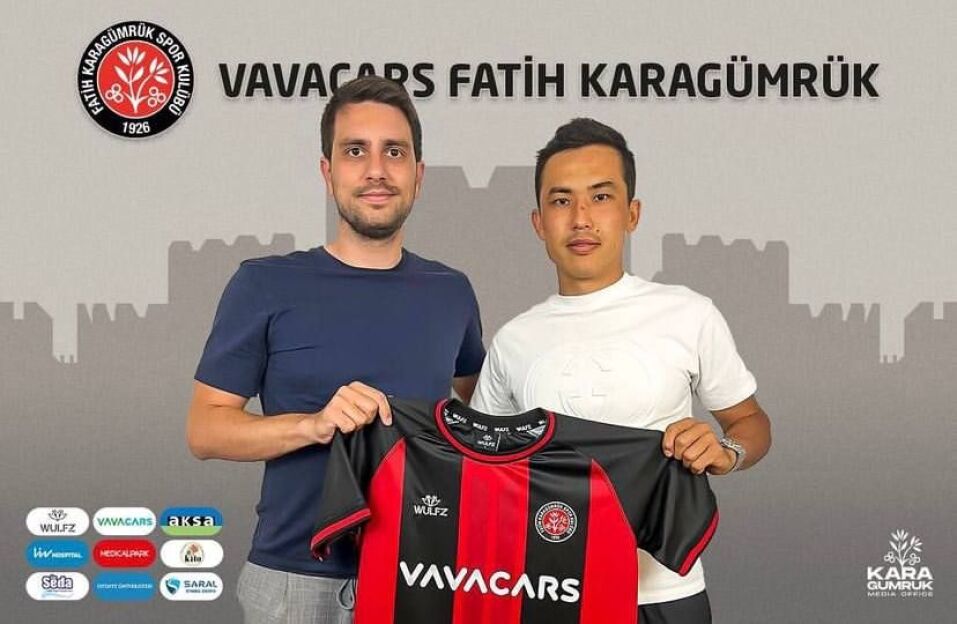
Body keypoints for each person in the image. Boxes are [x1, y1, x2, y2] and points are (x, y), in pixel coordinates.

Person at [186, 76, 485, 624]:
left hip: (420, 579)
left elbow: (484, 418)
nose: (376, 170)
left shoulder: (452, 292)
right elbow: (204, 430)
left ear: (418, 175)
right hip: (294, 581)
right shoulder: (264, 284)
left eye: (394, 152)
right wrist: (314, 425)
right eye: (355, 151)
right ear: (328, 173)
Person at [470, 118, 771, 624]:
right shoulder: (512, 341)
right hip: (549, 593)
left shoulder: (688, 313)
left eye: (601, 197)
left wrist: (727, 451)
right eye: (561, 200)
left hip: (665, 594)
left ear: (632, 213)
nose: (581, 219)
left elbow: (751, 422)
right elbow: (480, 469)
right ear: (539, 222)